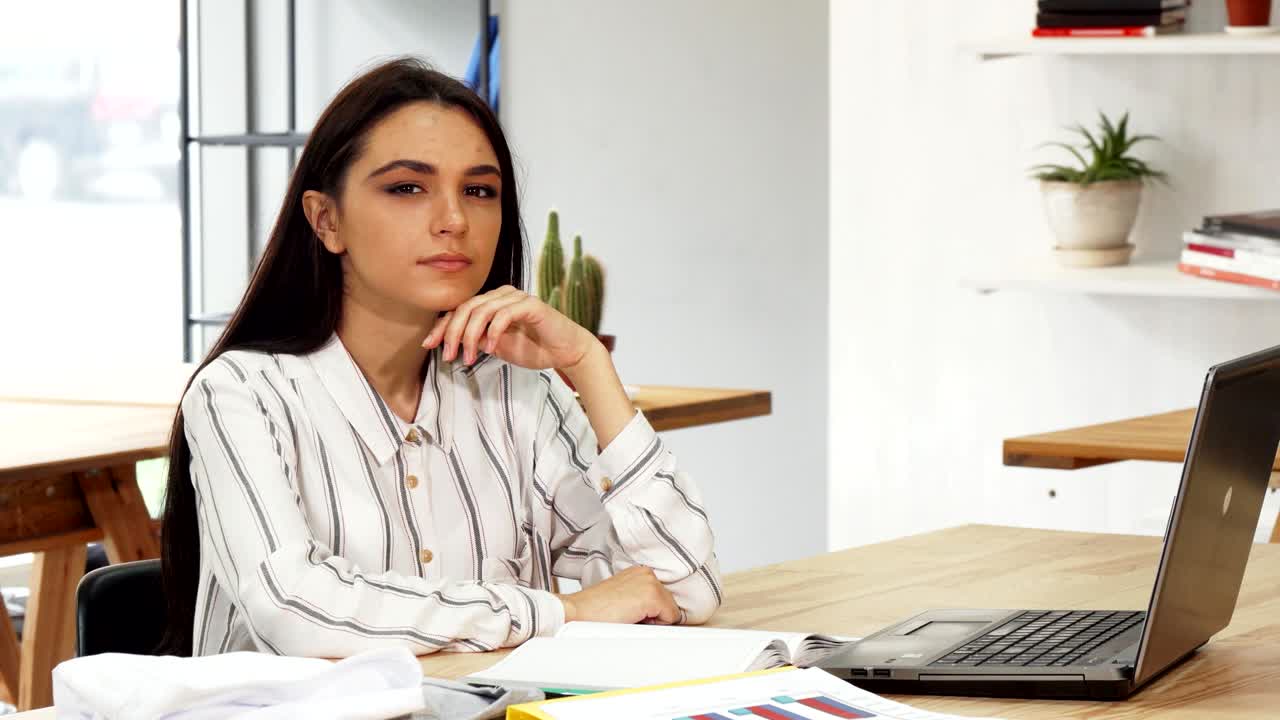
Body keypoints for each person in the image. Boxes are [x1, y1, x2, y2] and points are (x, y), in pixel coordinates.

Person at [157, 57, 721, 658]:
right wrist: (564, 612)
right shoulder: (239, 393)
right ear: (326, 220)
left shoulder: (520, 392)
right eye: (407, 187)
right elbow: (293, 608)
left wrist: (586, 363)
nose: (454, 220)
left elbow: (683, 589)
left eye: (479, 191)